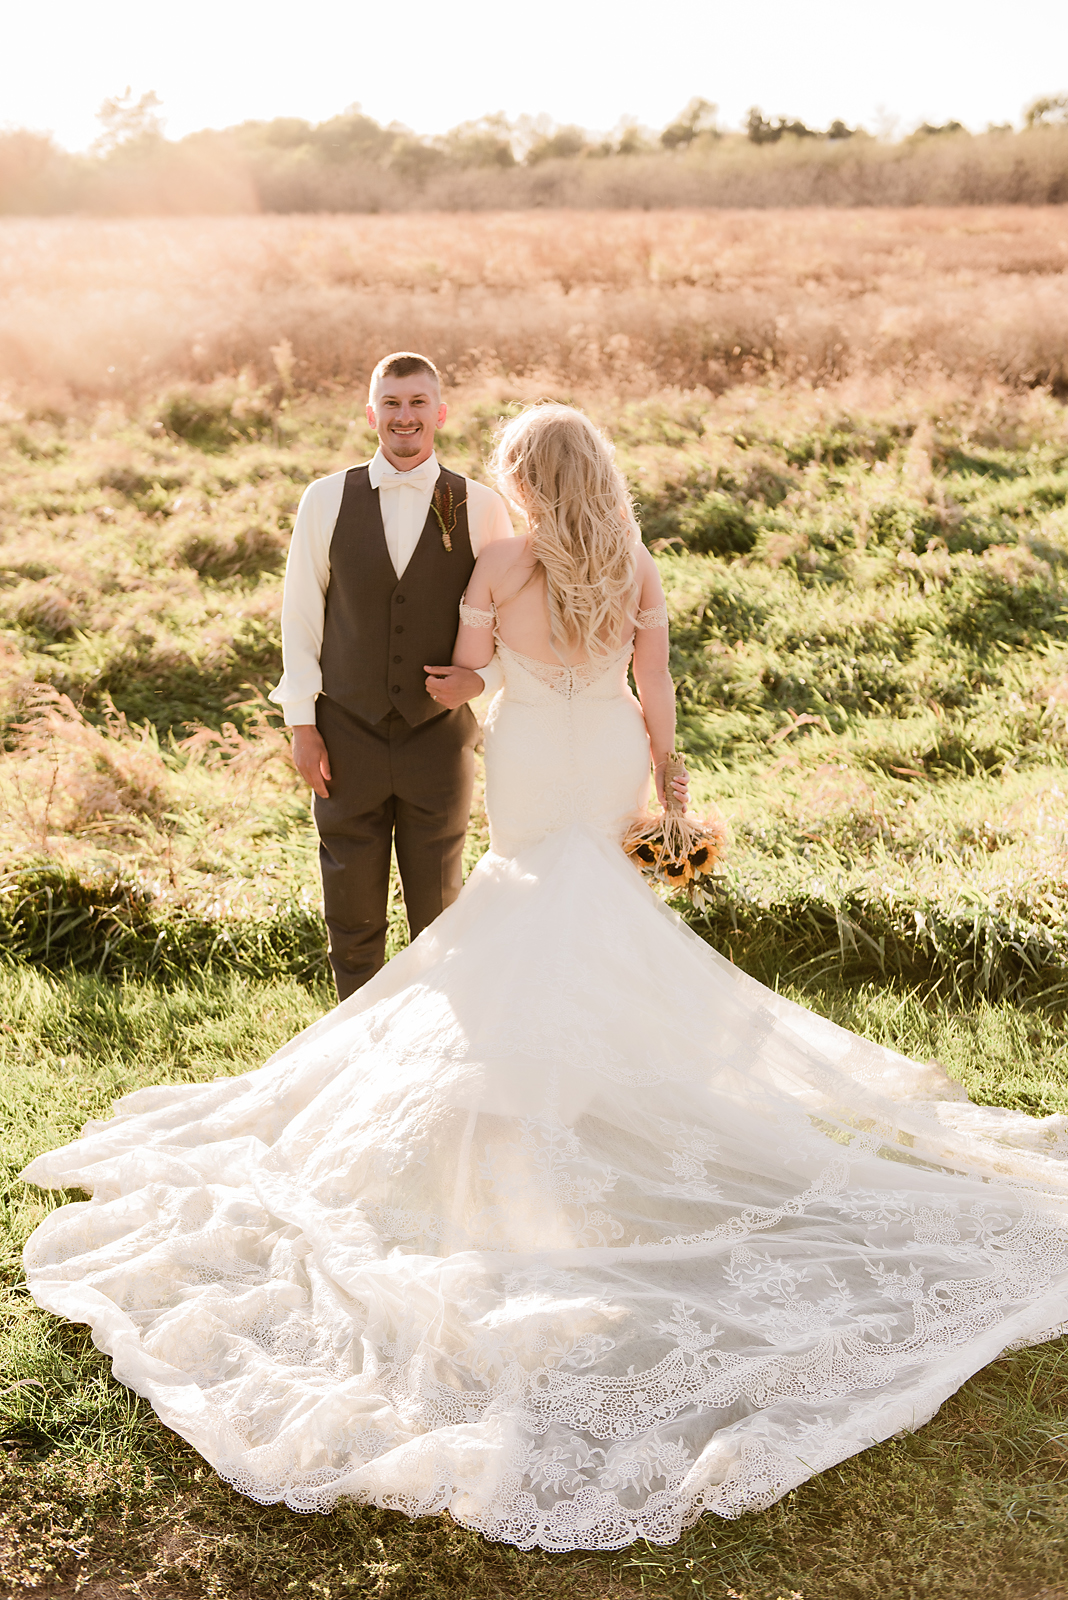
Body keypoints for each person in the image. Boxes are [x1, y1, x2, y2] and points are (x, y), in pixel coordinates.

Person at [21, 405, 1068, 1554]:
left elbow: (466, 677)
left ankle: (534, 1102)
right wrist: (670, 785)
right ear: (604, 475)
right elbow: (658, 688)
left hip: (526, 748)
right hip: (610, 746)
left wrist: (459, 673)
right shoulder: (635, 561)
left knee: (525, 906)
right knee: (604, 910)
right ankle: (605, 1096)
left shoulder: (503, 556)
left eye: (514, 468)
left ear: (527, 477)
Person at [269, 350, 513, 1000]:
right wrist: (303, 725)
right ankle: (355, 1048)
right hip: (344, 734)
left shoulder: (481, 506)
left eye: (417, 402)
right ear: (372, 411)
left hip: (439, 739)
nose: (405, 417)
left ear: (440, 411)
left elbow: (513, 621)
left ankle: (436, 1056)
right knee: (350, 911)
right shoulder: (325, 499)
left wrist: (480, 684)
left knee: (440, 909)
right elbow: (300, 617)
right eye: (392, 403)